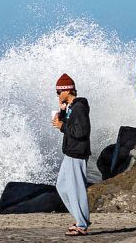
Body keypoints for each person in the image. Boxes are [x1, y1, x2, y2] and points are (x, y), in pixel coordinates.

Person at [51, 73, 91, 236]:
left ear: (67, 91)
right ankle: (80, 218)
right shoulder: (71, 108)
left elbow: (81, 131)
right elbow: (70, 127)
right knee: (62, 186)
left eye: (58, 92)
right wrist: (61, 114)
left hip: (77, 153)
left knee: (76, 189)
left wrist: (61, 126)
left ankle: (81, 224)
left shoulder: (79, 108)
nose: (58, 95)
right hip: (71, 152)